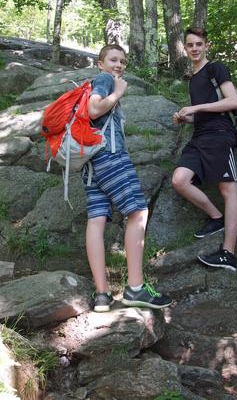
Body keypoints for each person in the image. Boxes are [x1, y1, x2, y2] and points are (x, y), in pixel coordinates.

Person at [82, 44, 172, 312]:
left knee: (96, 220)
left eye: (122, 61)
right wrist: (118, 91)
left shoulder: (97, 80)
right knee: (138, 213)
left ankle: (102, 295)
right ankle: (134, 289)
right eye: (113, 60)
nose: (119, 65)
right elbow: (93, 109)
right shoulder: (104, 80)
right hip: (110, 157)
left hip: (90, 164)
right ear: (100, 63)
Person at [172, 27, 237, 271]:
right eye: (190, 45)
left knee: (228, 189)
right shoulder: (193, 78)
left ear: (206, 46)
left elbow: (232, 102)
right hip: (199, 136)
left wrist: (195, 108)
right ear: (185, 48)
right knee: (179, 180)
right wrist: (186, 118)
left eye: (199, 44)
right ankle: (216, 217)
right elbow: (201, 114)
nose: (195, 48)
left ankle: (228, 254)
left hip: (220, 134)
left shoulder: (216, 69)